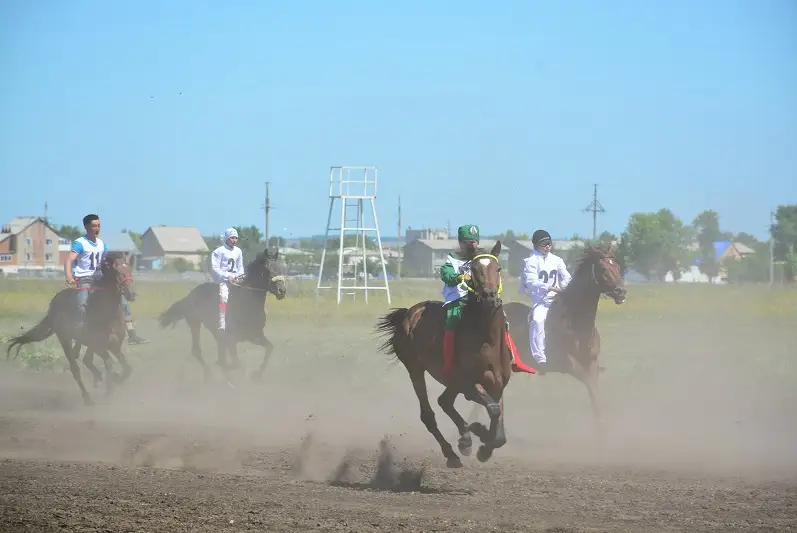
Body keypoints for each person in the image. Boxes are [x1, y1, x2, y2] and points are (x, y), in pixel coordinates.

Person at [64, 214, 148, 345]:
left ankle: (132, 333)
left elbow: (104, 262)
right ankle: (78, 333)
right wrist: (69, 276)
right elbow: (69, 260)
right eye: (94, 226)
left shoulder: (102, 244)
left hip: (99, 277)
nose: (97, 228)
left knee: (122, 298)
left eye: (98, 226)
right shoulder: (80, 243)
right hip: (84, 278)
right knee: (82, 301)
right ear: (86, 227)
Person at [519, 229, 571, 370]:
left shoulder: (557, 260)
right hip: (541, 301)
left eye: (549, 243)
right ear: (536, 245)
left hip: (558, 299)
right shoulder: (531, 262)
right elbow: (531, 282)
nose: (548, 246)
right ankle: (540, 357)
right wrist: (549, 287)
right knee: (537, 320)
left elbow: (567, 277)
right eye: (544, 244)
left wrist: (563, 287)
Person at [439, 224, 480, 376]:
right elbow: (446, 275)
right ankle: (449, 363)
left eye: (474, 241)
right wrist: (459, 277)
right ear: (460, 242)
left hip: (478, 299)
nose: (471, 244)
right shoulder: (452, 258)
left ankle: (514, 360)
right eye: (467, 241)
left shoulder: (481, 258)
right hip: (458, 299)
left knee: (501, 318)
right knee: (452, 320)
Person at [210, 227, 245, 332]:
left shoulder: (238, 251)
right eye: (232, 238)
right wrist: (227, 276)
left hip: (236, 279)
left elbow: (240, 267)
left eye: (236, 238)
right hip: (223, 280)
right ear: (226, 238)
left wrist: (239, 276)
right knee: (223, 299)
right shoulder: (218, 251)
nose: (234, 240)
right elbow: (215, 268)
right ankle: (222, 322)